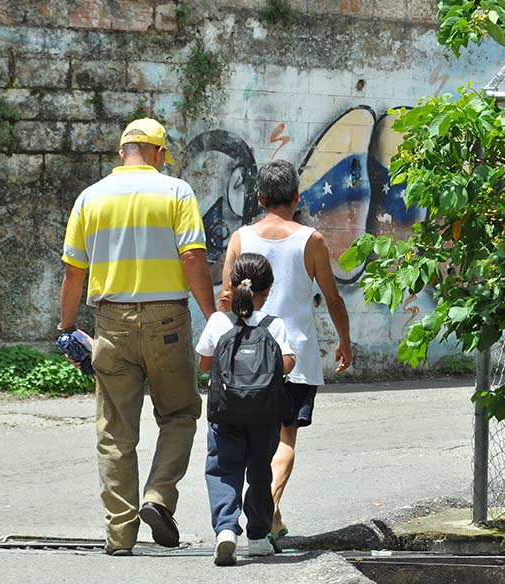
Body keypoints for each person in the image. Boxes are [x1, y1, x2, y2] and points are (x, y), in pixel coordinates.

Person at [58, 118, 216, 556]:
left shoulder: (90, 198)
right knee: (181, 414)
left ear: (122, 152)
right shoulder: (176, 191)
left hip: (111, 324)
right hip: (168, 323)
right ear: (159, 154)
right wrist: (213, 316)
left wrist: (67, 328)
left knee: (115, 433)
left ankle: (119, 535)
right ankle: (158, 497)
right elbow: (193, 257)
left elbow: (74, 270)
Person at [219, 159, 353, 546]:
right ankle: (270, 511)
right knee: (285, 440)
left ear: (259, 198)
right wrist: (344, 342)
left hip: (243, 358)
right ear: (296, 197)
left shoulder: (241, 238)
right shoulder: (311, 240)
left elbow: (227, 298)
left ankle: (267, 519)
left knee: (249, 440)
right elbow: (333, 298)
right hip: (294, 356)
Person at [196, 253, 296, 566]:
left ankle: (226, 530)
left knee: (224, 469)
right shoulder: (273, 324)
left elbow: (204, 364)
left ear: (233, 285)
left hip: (225, 412)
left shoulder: (218, 321)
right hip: (264, 414)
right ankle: (257, 536)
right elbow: (288, 363)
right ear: (266, 292)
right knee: (259, 471)